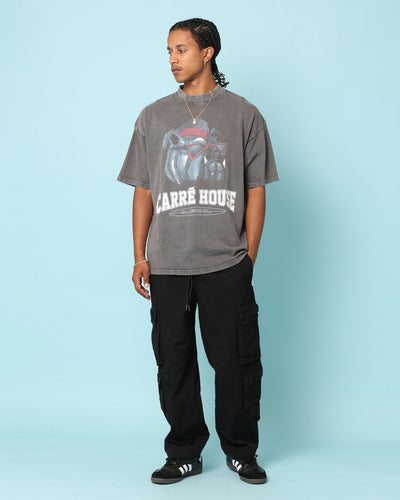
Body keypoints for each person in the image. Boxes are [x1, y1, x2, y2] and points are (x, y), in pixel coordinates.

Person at [117, 18, 279, 485]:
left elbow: (256, 190)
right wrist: (139, 255)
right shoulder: (152, 116)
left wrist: (247, 258)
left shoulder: (244, 114)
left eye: (181, 49)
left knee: (236, 361)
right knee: (174, 362)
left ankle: (241, 451)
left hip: (226, 262)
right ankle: (184, 451)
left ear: (208, 53)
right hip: (167, 263)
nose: (172, 59)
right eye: (169, 51)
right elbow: (144, 190)